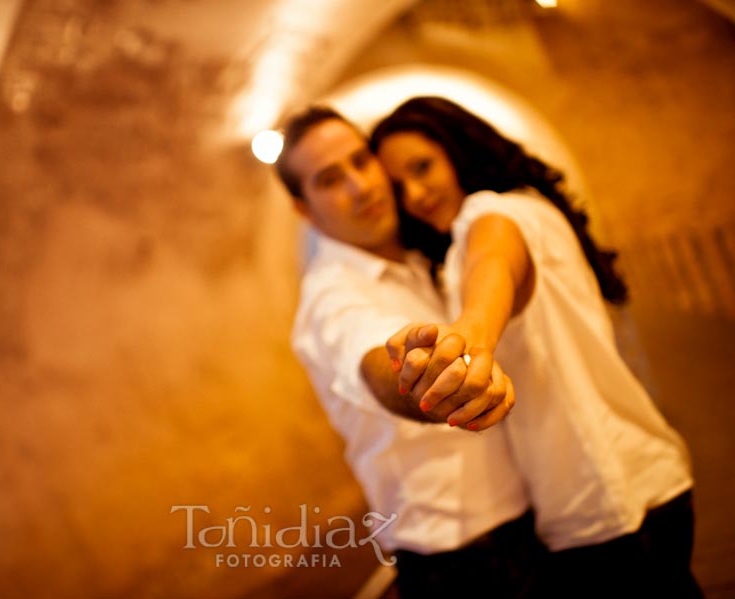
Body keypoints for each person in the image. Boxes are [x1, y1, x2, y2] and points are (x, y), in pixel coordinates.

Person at [368, 96, 702, 598]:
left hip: (605, 505)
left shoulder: (491, 213)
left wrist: (469, 335)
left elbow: (496, 262)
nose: (414, 194)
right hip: (640, 479)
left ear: (458, 151)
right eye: (399, 187)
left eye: (423, 167)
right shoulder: (529, 206)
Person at [276, 106, 547, 597]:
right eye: (330, 179)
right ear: (304, 208)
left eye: (361, 161)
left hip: (526, 524)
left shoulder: (422, 258)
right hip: (458, 561)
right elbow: (376, 364)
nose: (361, 187)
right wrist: (425, 379)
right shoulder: (331, 298)